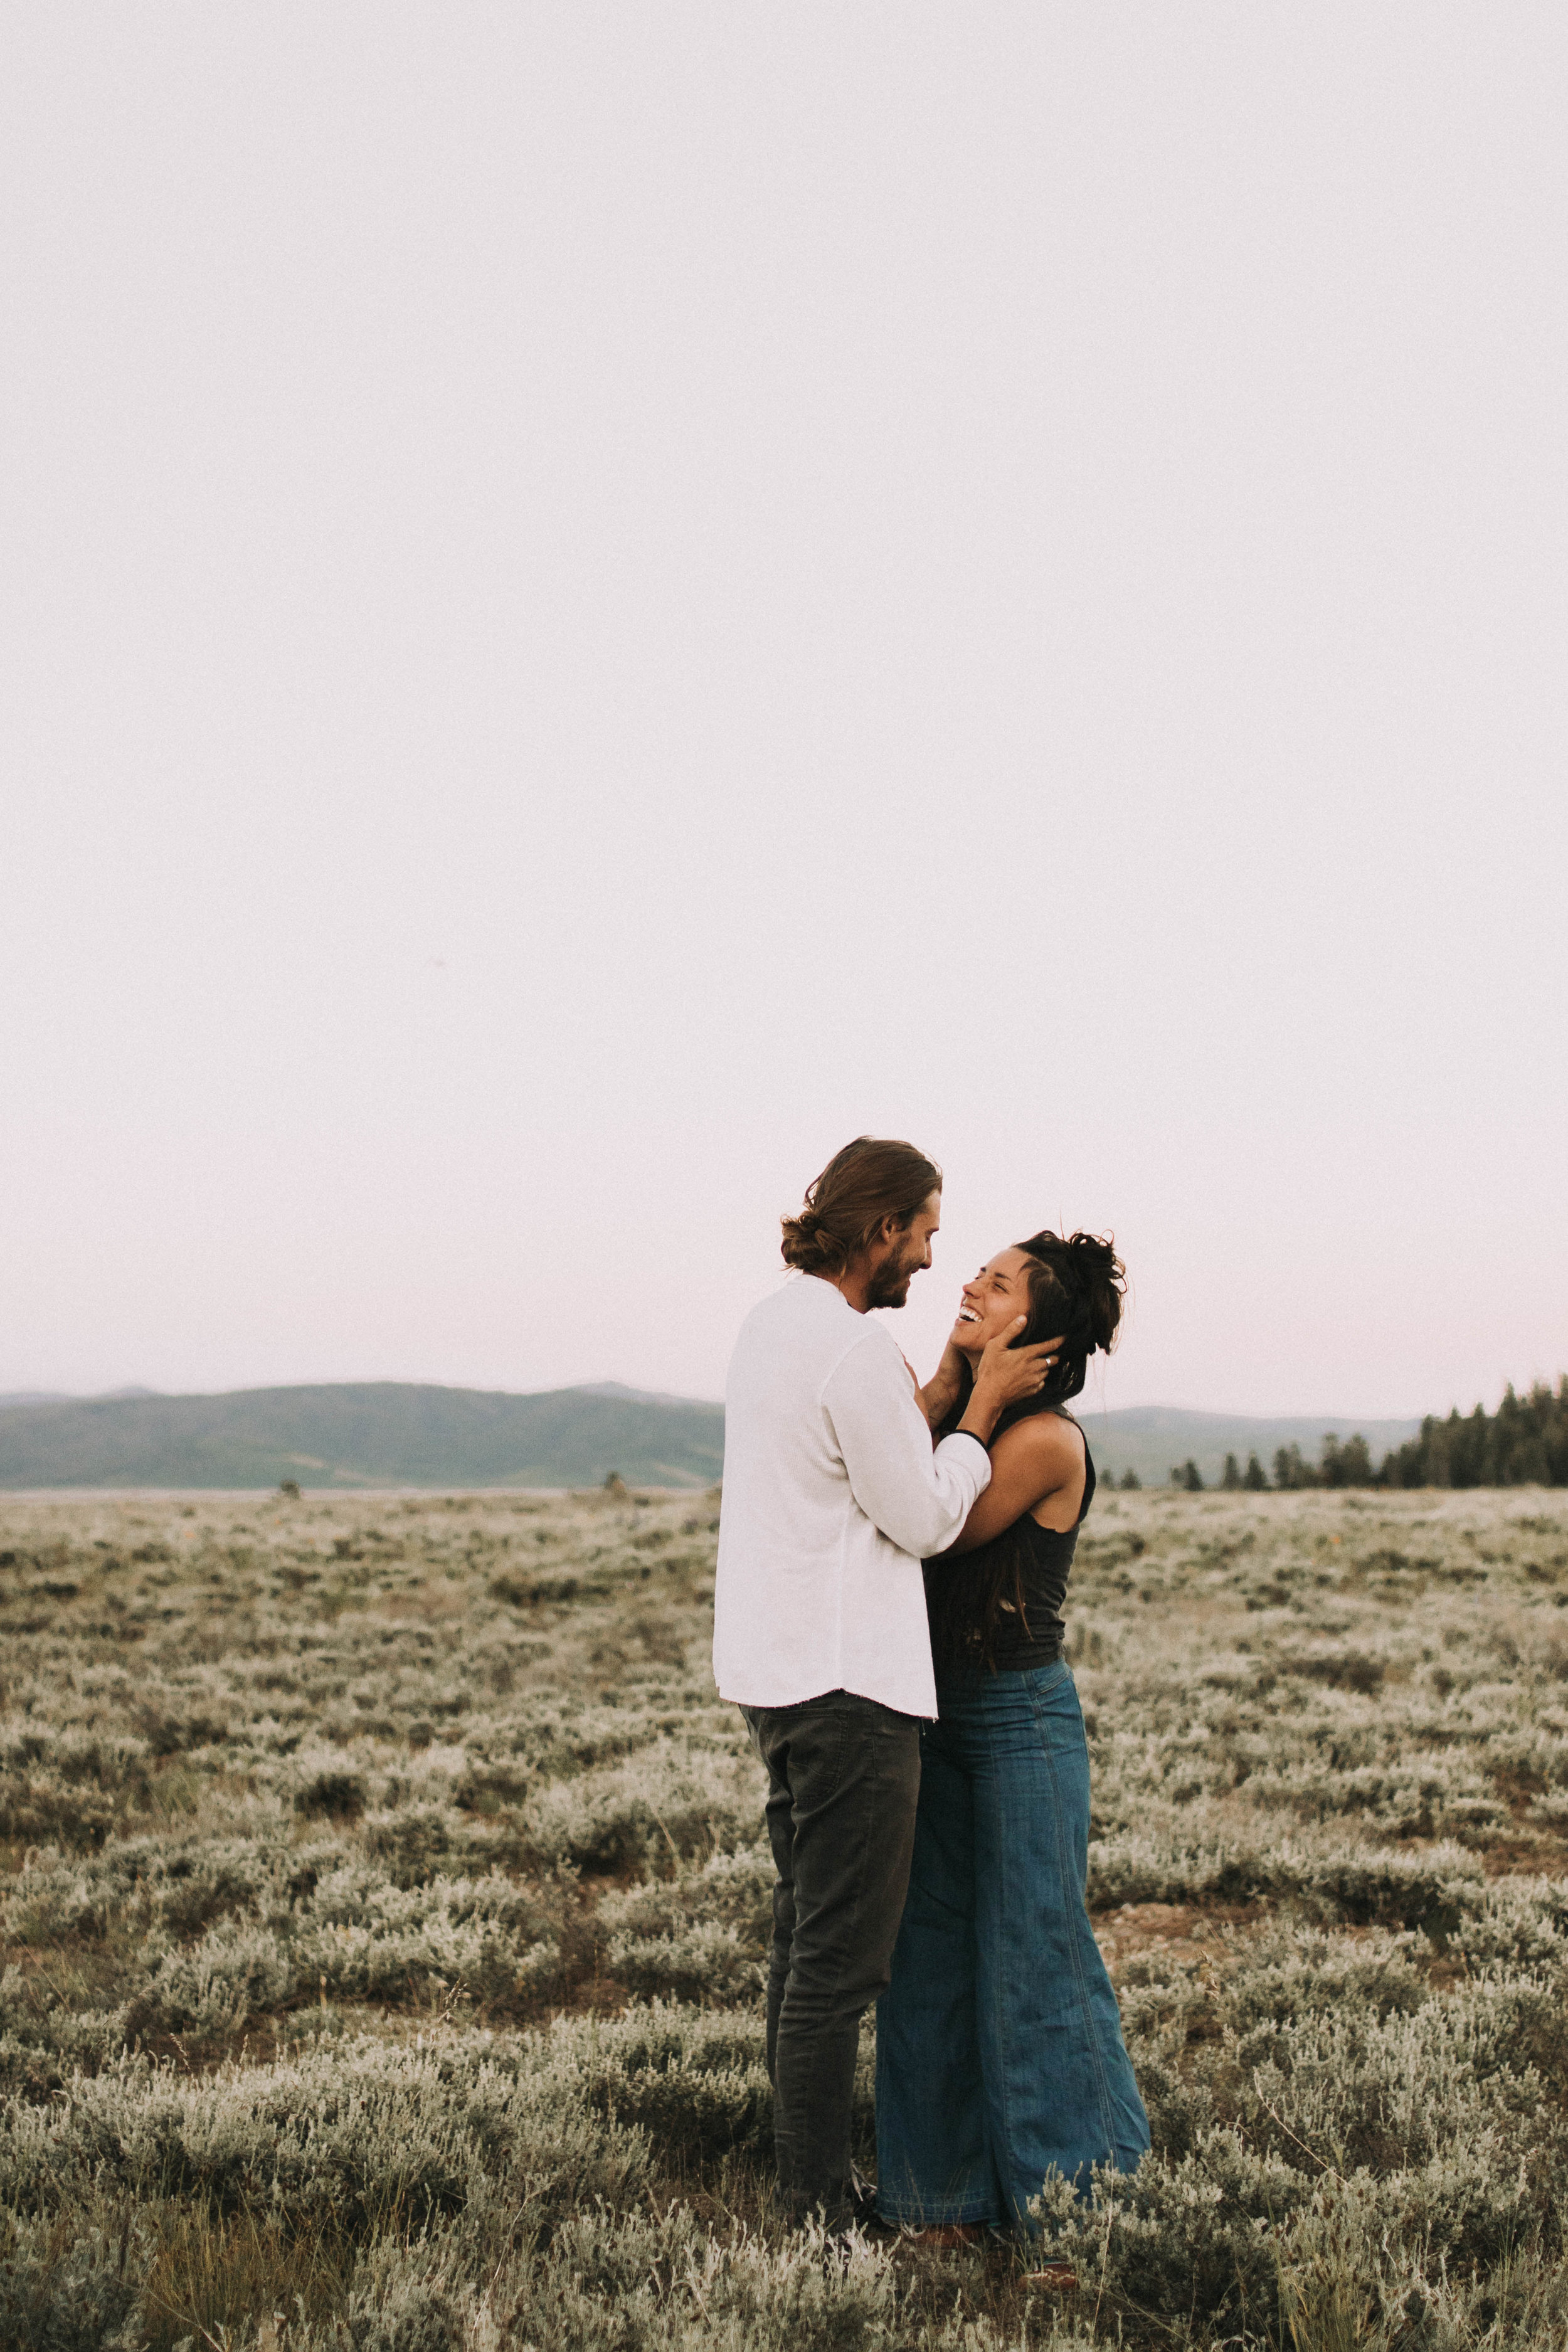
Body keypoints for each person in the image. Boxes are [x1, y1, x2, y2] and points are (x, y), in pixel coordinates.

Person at [713, 1138, 1059, 2228]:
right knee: (838, 1962)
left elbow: (859, 1456)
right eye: (924, 1233)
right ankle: (813, 2210)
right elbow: (919, 1513)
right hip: (849, 1687)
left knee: (801, 1938)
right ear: (881, 1230)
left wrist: (950, 1384)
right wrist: (976, 1413)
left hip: (779, 1677)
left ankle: (800, 2183)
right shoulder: (853, 1349)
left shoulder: (776, 1328)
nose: (929, 1256)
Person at [875, 1230, 1151, 2236]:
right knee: (928, 1955)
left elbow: (925, 1526)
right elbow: (881, 1483)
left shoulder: (1044, 1440)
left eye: (994, 1286)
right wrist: (954, 1374)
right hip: (934, 1713)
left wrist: (972, 1396)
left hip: (1017, 1721)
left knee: (1036, 1955)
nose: (969, 1286)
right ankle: (937, 2203)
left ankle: (1078, 2212)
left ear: (1037, 1332)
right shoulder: (963, 1408)